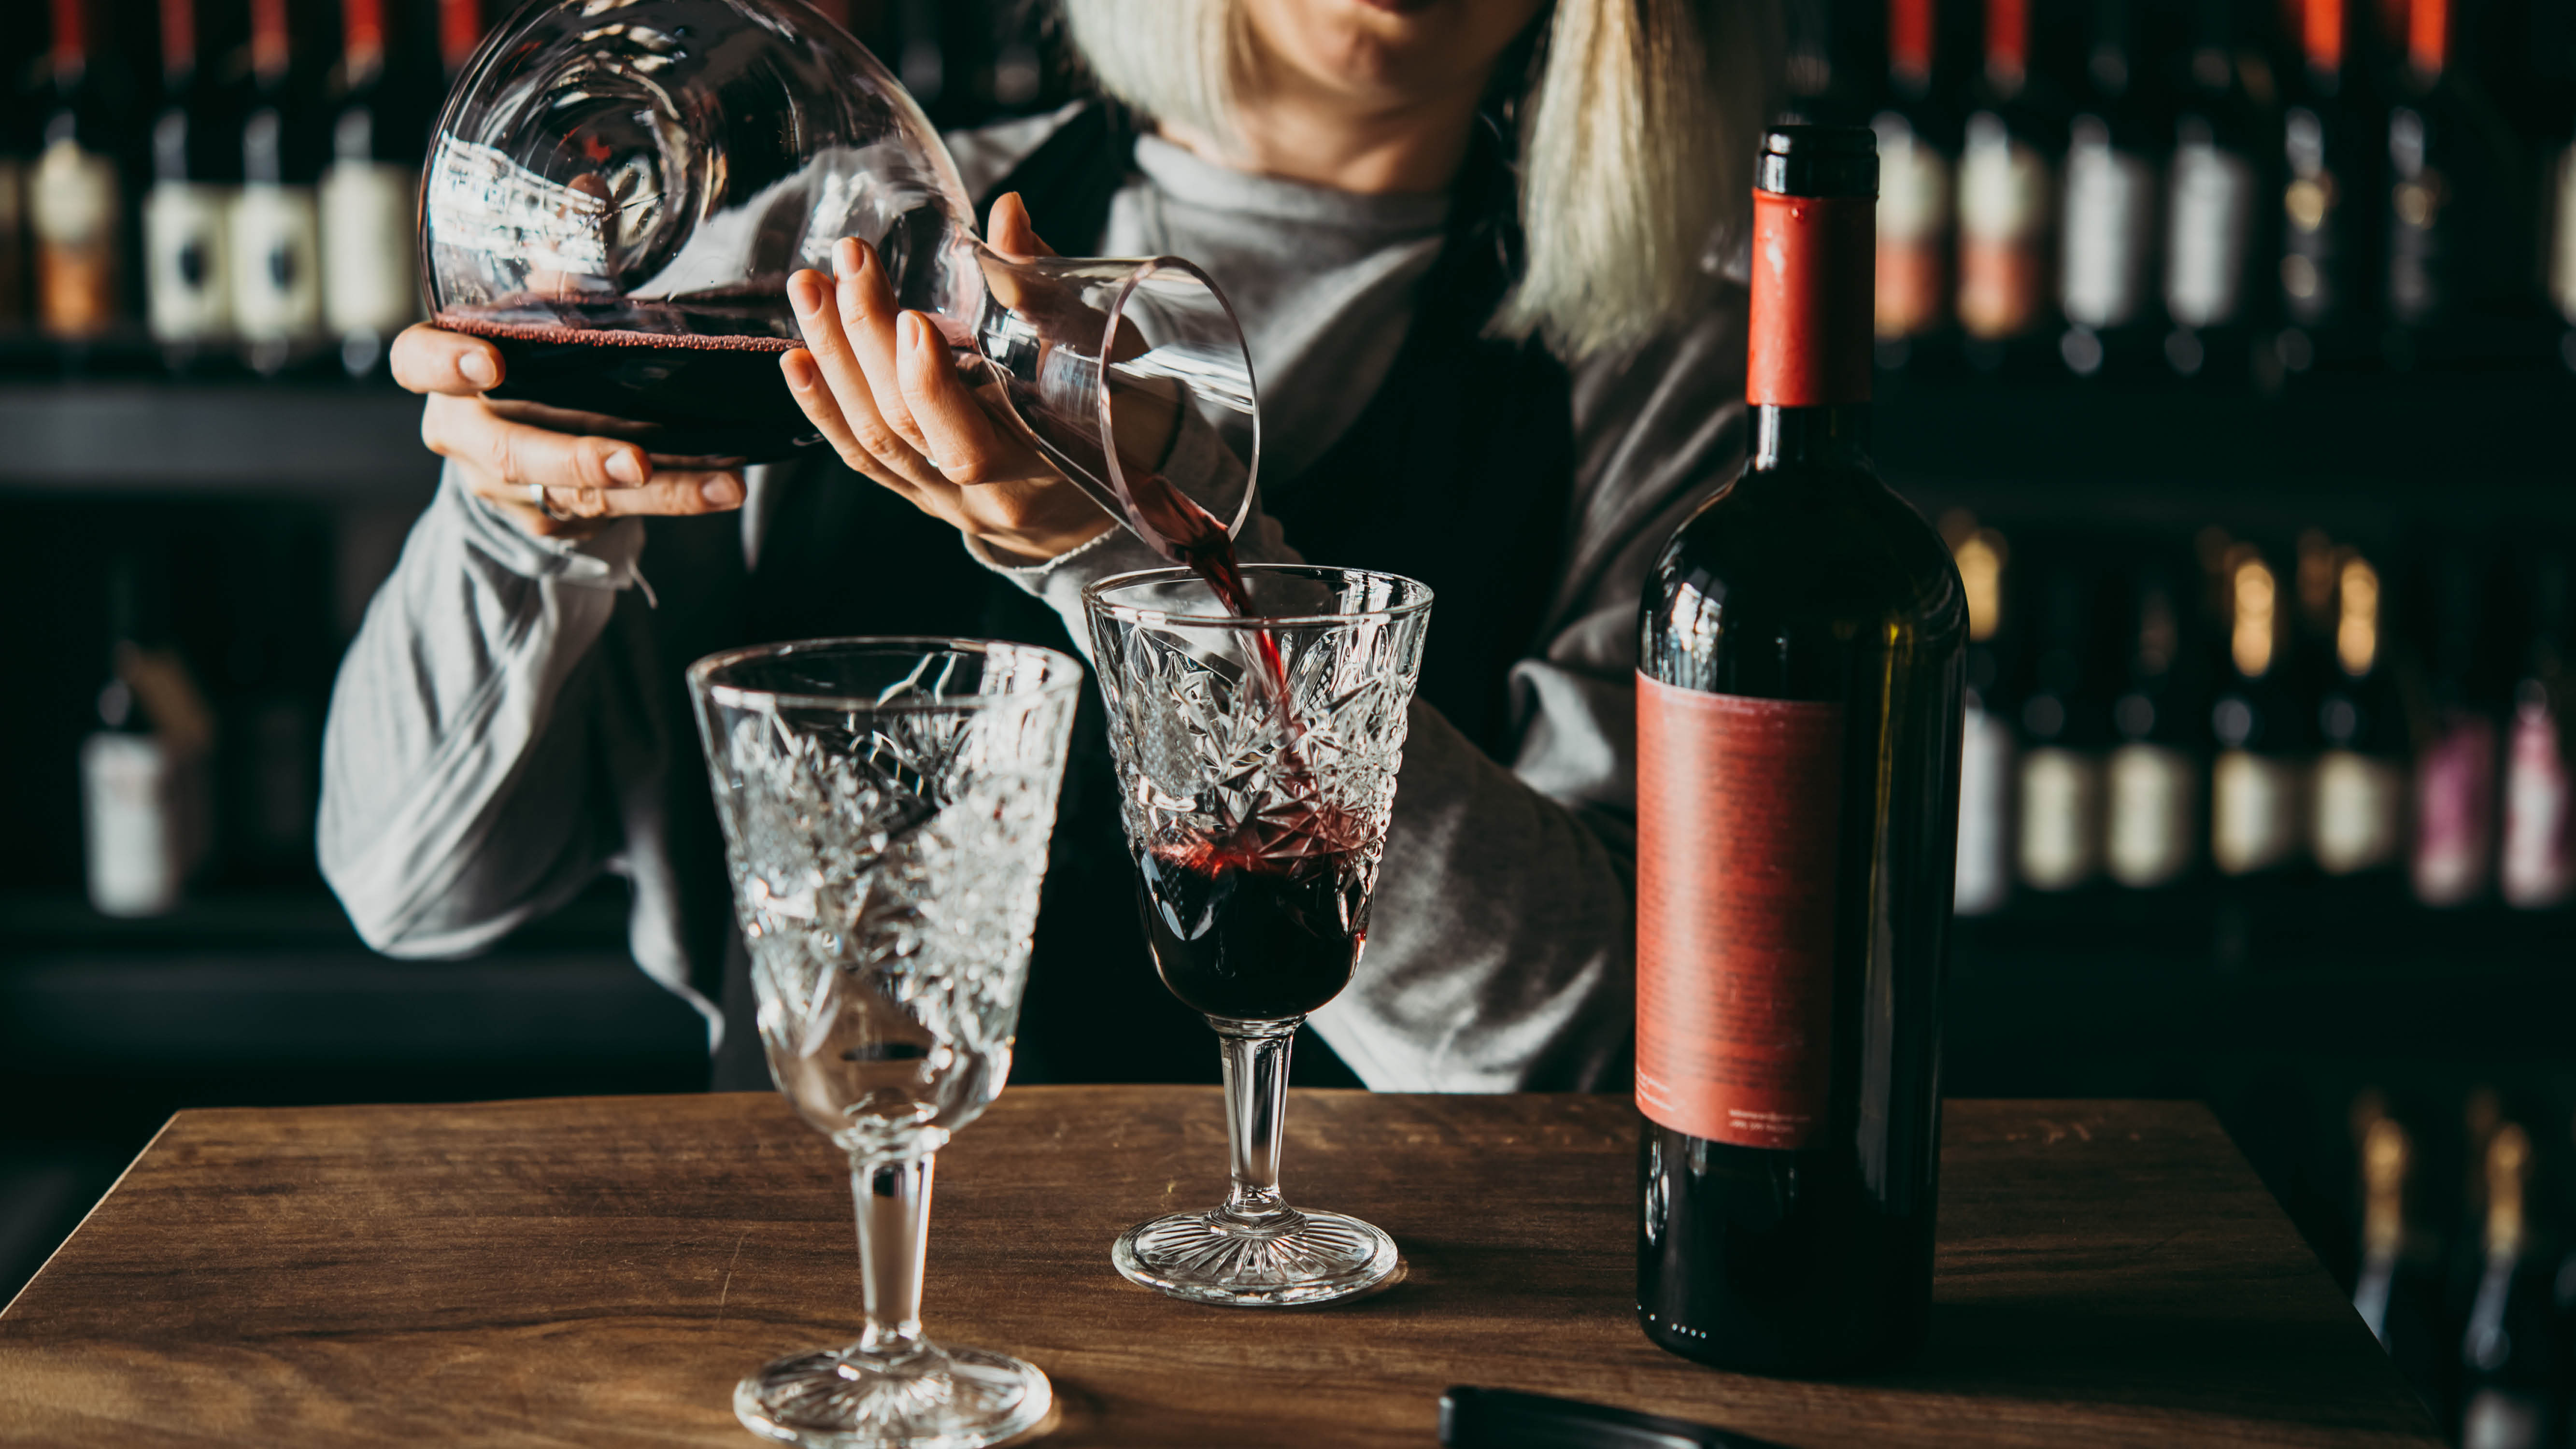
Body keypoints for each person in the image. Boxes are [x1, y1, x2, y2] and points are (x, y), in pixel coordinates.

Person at [320, 0, 1776, 1093]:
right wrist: (525, 523)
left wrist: (1115, 547)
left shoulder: (1668, 364)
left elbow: (1588, 1037)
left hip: (1336, 1302)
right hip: (811, 1280)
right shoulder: (842, 241)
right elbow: (415, 888)